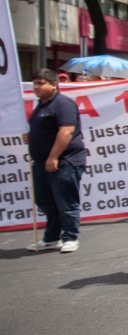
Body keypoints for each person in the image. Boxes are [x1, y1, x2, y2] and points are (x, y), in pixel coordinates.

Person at [25, 69, 86, 253]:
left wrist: (53, 157)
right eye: (34, 83)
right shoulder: (41, 105)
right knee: (45, 202)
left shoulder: (62, 103)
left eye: (41, 83)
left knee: (65, 202)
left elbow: (65, 132)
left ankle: (70, 237)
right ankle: (51, 237)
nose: (36, 87)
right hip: (41, 162)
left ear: (54, 84)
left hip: (63, 161)